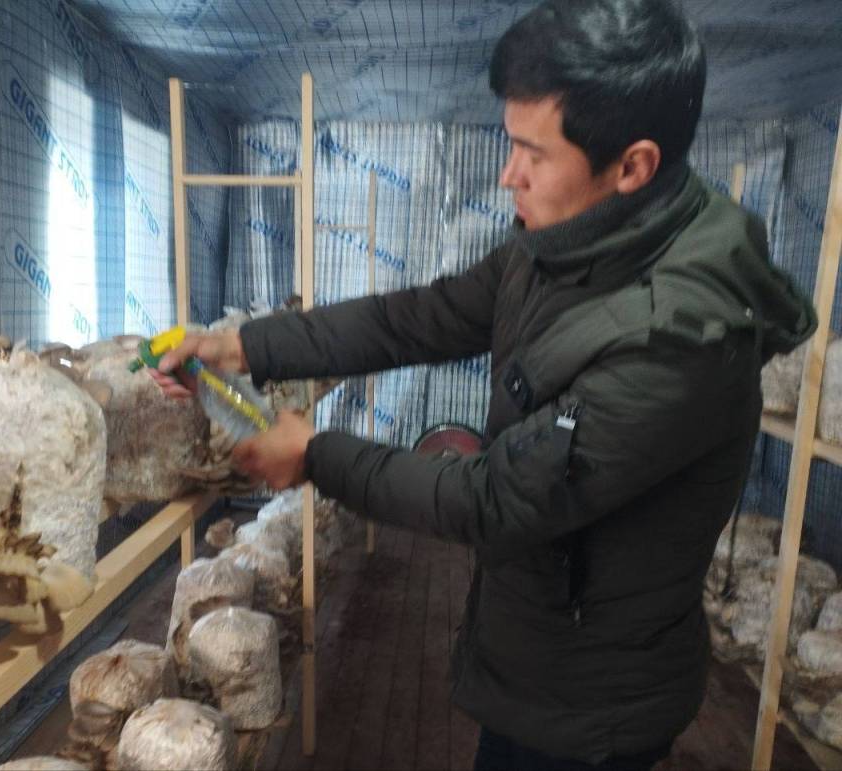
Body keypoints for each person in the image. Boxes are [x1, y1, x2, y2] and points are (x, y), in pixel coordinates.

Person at [154, 0, 816, 767]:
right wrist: (245, 345)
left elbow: (495, 498)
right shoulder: (562, 242)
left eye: (534, 152)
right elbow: (419, 318)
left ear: (633, 165)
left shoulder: (682, 337)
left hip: (590, 707)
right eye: (510, 143)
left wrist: (315, 454)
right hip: (533, 645)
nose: (509, 175)